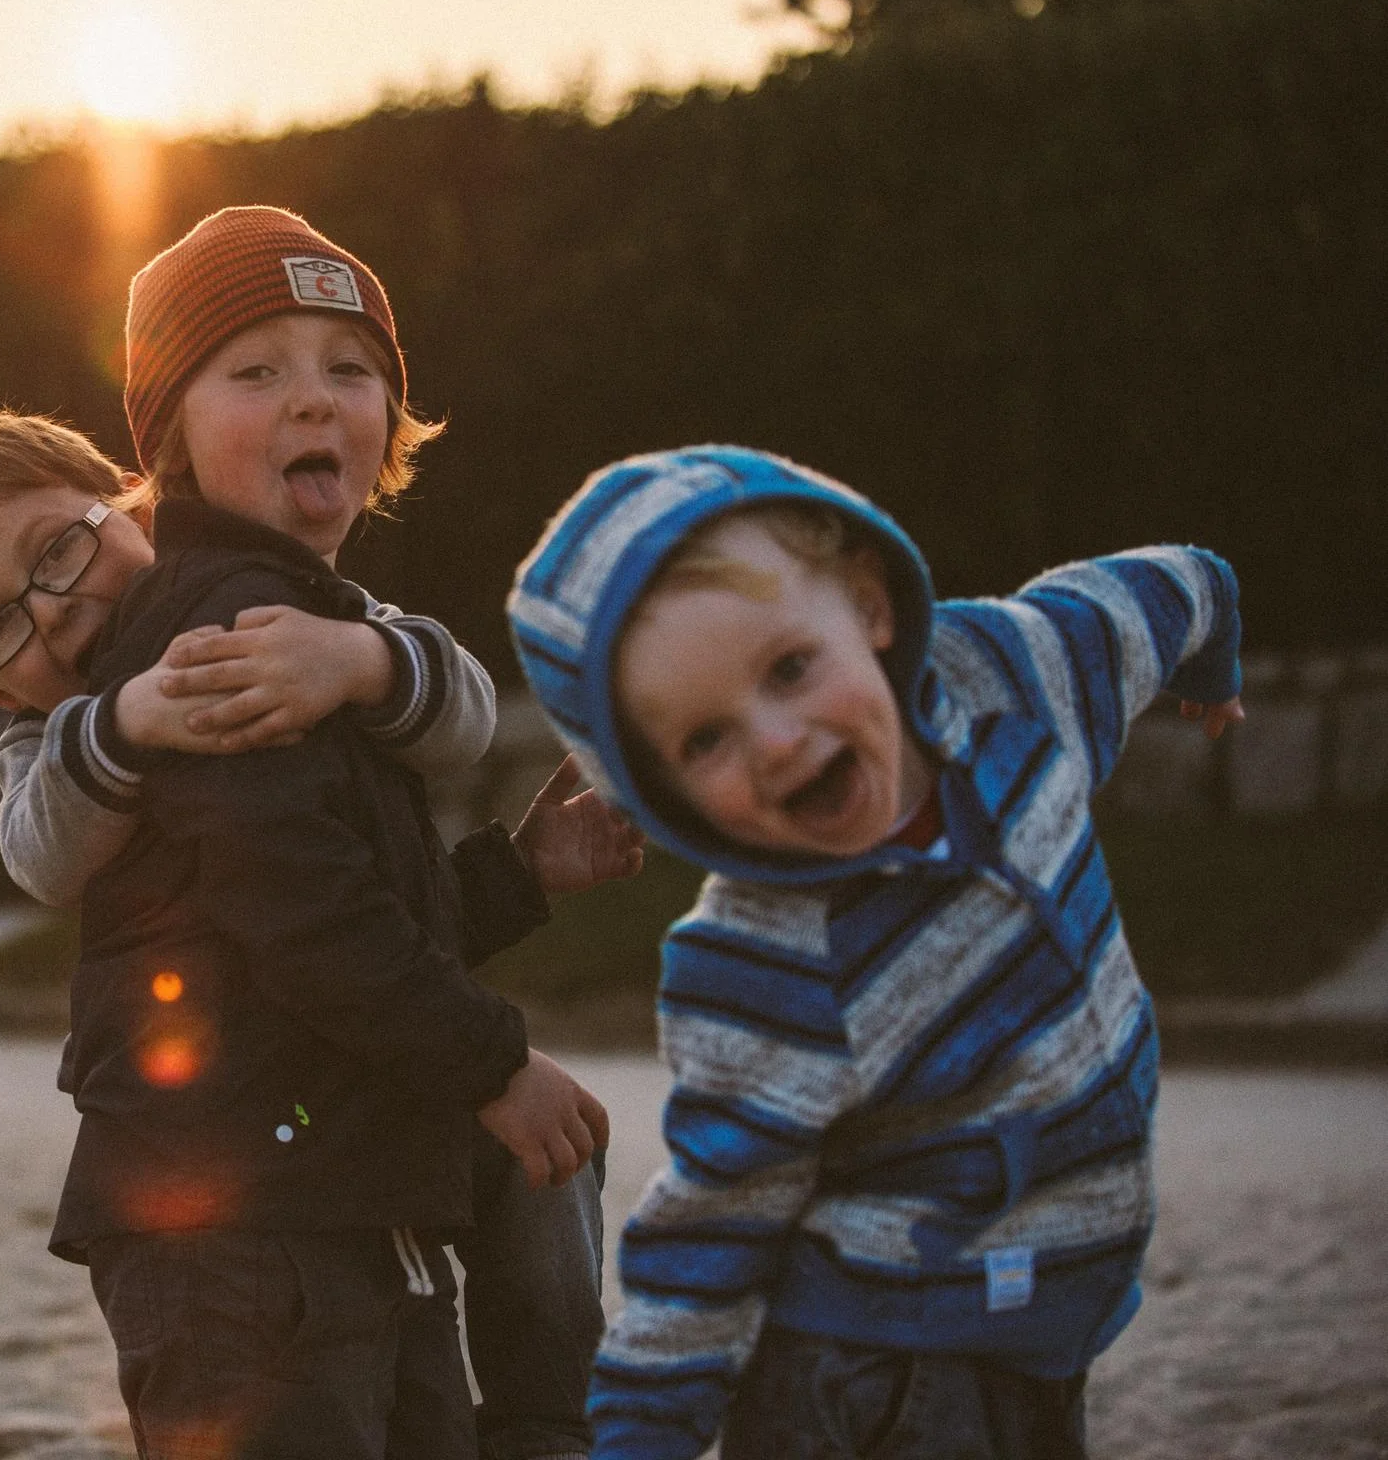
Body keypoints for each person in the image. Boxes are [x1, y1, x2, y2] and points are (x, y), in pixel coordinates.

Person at [0, 401, 623, 1459]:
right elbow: (49, 853)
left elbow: (370, 888)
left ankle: (551, 1429)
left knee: (544, 1172)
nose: (55, 611)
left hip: (354, 1175)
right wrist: (123, 721)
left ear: (132, 504)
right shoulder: (64, 743)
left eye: (60, 549)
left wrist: (361, 663)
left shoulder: (271, 631)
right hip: (218, 1225)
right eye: (1, 626)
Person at [504, 445, 1245, 1460]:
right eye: (705, 740)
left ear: (869, 606)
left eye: (791, 668)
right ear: (658, 791)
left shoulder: (1016, 678)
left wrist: (1212, 662)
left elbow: (1173, 586)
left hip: (1039, 1327)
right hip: (879, 1371)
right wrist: (641, 1435)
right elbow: (709, 1230)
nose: (775, 740)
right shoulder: (767, 959)